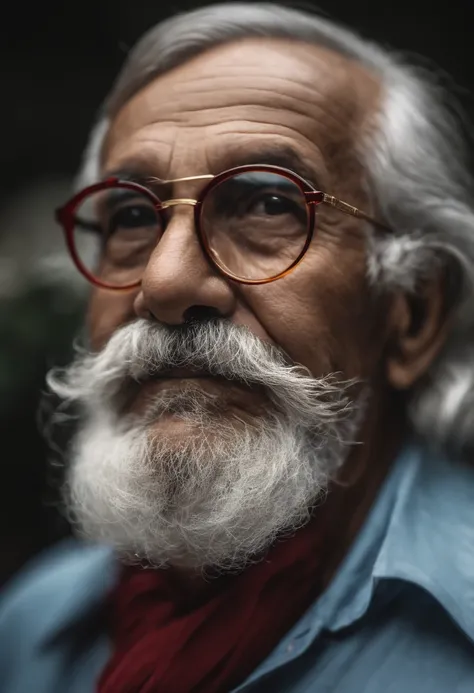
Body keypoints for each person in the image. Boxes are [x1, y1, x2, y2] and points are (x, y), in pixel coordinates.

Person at [1, 3, 474, 692]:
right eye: (132, 215)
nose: (164, 282)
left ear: (411, 314)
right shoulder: (29, 631)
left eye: (267, 204)